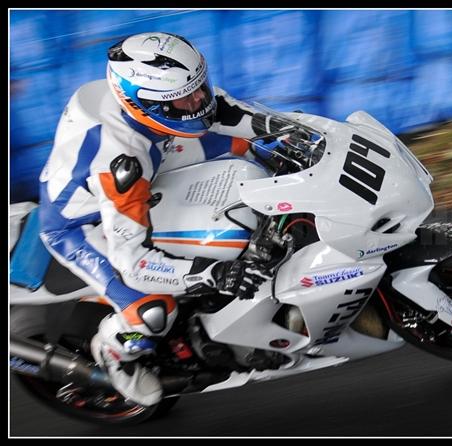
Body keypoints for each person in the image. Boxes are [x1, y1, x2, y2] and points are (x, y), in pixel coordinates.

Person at [38, 32, 286, 406]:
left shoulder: (154, 99)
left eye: (199, 87)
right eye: (184, 100)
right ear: (142, 102)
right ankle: (116, 353)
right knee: (153, 311)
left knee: (253, 149)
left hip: (152, 158)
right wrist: (211, 273)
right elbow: (134, 264)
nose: (199, 102)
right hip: (80, 224)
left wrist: (292, 134)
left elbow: (241, 116)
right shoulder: (120, 165)